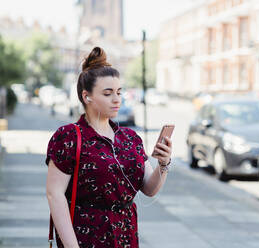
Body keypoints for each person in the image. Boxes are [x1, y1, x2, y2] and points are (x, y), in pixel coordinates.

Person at [46, 47, 172, 248]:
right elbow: (54, 194)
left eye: (119, 92)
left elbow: (149, 188)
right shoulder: (69, 136)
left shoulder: (130, 138)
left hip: (126, 237)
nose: (117, 99)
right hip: (85, 238)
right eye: (108, 93)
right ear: (87, 96)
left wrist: (163, 164)